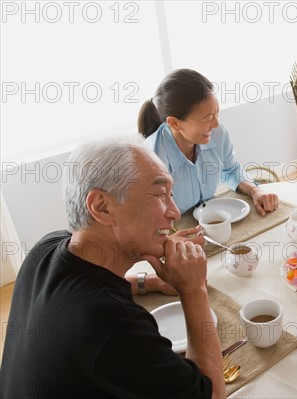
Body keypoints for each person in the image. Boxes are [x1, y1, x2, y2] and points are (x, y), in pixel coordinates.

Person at [0, 137, 226, 398]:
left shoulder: (46, 248)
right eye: (160, 194)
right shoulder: (115, 325)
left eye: (171, 195)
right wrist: (192, 289)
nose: (174, 212)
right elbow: (213, 394)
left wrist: (149, 282)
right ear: (102, 207)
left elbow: (88, 286)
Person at [138, 68, 278, 216]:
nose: (216, 124)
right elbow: (148, 215)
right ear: (174, 123)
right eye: (207, 118)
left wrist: (254, 191)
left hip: (208, 217)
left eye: (217, 113)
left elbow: (231, 169)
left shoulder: (217, 133)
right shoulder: (152, 157)